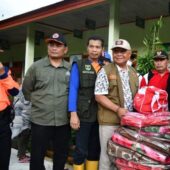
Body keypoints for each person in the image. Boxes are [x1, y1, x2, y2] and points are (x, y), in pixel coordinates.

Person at [22, 33, 71, 170]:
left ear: (65, 49)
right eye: (51, 44)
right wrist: (41, 103)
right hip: (40, 120)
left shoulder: (70, 68)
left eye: (58, 45)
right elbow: (27, 90)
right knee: (37, 156)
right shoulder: (36, 67)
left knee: (61, 155)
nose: (54, 48)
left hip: (63, 121)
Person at [94, 39, 138, 170]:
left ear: (129, 54)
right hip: (109, 121)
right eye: (116, 51)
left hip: (128, 123)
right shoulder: (105, 71)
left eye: (122, 51)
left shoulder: (133, 72)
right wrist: (117, 109)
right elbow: (99, 96)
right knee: (108, 155)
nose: (119, 54)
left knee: (124, 156)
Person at [68, 36, 104, 170]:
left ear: (102, 49)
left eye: (97, 47)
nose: (94, 50)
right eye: (91, 46)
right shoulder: (79, 64)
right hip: (83, 113)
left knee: (95, 150)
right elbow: (73, 89)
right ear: (87, 48)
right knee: (81, 149)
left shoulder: (106, 66)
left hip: (101, 114)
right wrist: (73, 113)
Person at [0, 61, 19, 170]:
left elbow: (14, 91)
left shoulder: (4, 70)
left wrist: (2, 73)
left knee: (3, 157)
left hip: (2, 119)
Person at [11, 78, 31, 163]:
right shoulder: (25, 89)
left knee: (21, 135)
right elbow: (27, 104)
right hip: (23, 115)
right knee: (24, 135)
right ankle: (21, 156)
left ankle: (21, 154)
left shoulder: (20, 89)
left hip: (19, 114)